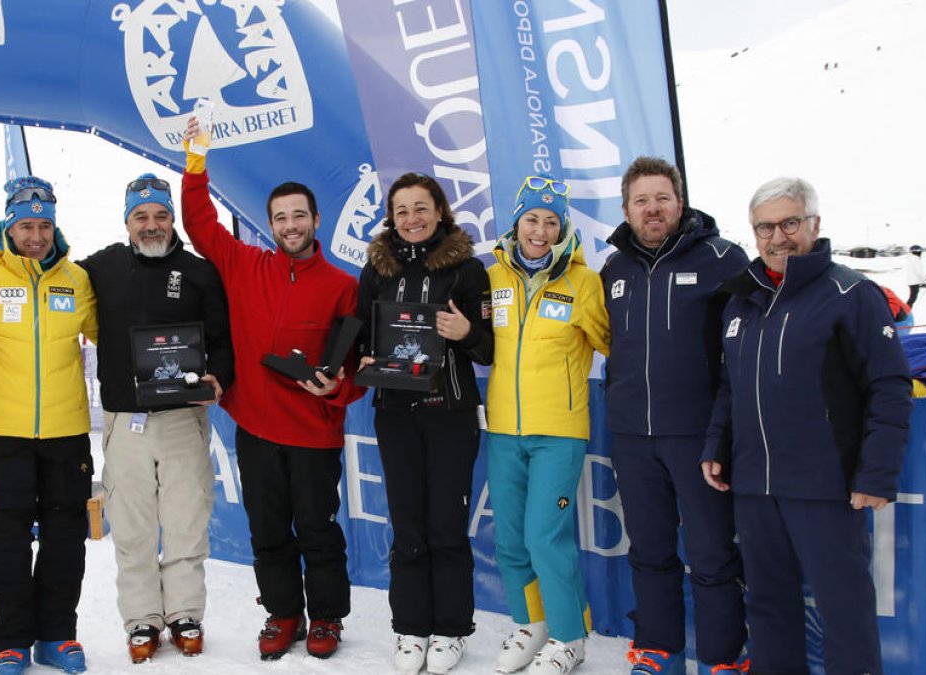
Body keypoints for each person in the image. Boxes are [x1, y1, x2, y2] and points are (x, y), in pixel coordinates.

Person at [702, 177, 912, 675]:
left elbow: (890, 385)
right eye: (765, 227)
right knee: (769, 608)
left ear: (814, 225)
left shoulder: (850, 293)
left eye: (789, 223)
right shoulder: (742, 300)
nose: (778, 237)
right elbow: (731, 386)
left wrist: (877, 473)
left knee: (845, 612)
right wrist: (717, 445)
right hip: (754, 485)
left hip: (825, 488)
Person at [181, 118, 365, 660]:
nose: (290, 225)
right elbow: (198, 221)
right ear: (268, 224)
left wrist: (334, 390)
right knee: (267, 529)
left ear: (315, 221)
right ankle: (283, 613)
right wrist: (196, 157)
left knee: (318, 530)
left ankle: (326, 617)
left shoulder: (342, 287)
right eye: (280, 217)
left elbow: (357, 370)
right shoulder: (243, 263)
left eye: (299, 216)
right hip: (257, 429)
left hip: (313, 435)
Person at [599, 157, 749, 675]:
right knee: (650, 547)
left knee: (710, 551)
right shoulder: (613, 269)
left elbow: (744, 346)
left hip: (698, 436)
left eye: (661, 197)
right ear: (627, 209)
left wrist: (724, 433)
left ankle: (723, 657)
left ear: (679, 203)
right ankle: (658, 648)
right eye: (641, 200)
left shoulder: (723, 258)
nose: (652, 208)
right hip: (632, 436)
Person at [78, 173, 232, 662]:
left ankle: (185, 613)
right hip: (126, 421)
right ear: (127, 221)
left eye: (161, 215)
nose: (152, 225)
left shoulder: (199, 272)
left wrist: (218, 378)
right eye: (141, 217)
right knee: (132, 526)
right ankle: (142, 620)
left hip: (182, 419)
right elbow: (46, 276)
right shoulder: (99, 267)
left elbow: (224, 341)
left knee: (187, 521)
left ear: (173, 219)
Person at [0, 176, 98, 675]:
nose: (36, 235)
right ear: (8, 228)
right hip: (7, 434)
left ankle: (57, 636)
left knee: (65, 536)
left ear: (55, 226)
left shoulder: (76, 280)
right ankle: (10, 640)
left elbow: (111, 336)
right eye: (26, 225)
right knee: (7, 538)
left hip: (67, 431)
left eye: (44, 225)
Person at [355, 172, 494, 674]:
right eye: (401, 211)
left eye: (421, 208)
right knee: (407, 524)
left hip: (450, 416)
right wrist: (365, 360)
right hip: (395, 415)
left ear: (440, 212)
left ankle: (453, 629)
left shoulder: (469, 270)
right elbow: (363, 338)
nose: (411, 219)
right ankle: (410, 628)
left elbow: (490, 345)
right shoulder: (376, 270)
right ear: (390, 219)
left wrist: (464, 332)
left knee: (446, 526)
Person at [486, 175, 610, 675]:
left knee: (544, 537)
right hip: (503, 428)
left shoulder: (583, 282)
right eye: (532, 219)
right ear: (516, 223)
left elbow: (614, 343)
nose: (540, 230)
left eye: (551, 221)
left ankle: (568, 635)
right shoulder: (492, 277)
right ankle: (530, 622)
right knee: (511, 539)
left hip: (559, 430)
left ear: (562, 229)